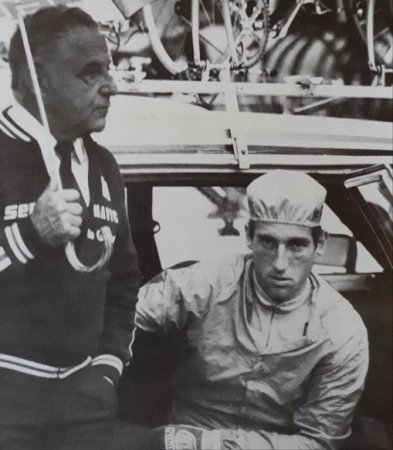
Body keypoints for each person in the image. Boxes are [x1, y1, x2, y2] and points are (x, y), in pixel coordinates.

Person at [132, 170, 369, 450]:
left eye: (297, 245)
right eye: (268, 242)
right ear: (249, 236)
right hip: (180, 435)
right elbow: (121, 314)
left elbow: (319, 442)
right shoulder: (208, 282)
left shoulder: (342, 330)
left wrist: (207, 444)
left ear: (320, 244)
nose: (280, 263)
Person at [0, 6, 140, 449]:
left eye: (110, 70)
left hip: (84, 408)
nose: (111, 87)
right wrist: (29, 234)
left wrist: (107, 369)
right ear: (39, 80)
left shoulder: (103, 166)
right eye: (90, 73)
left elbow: (124, 281)